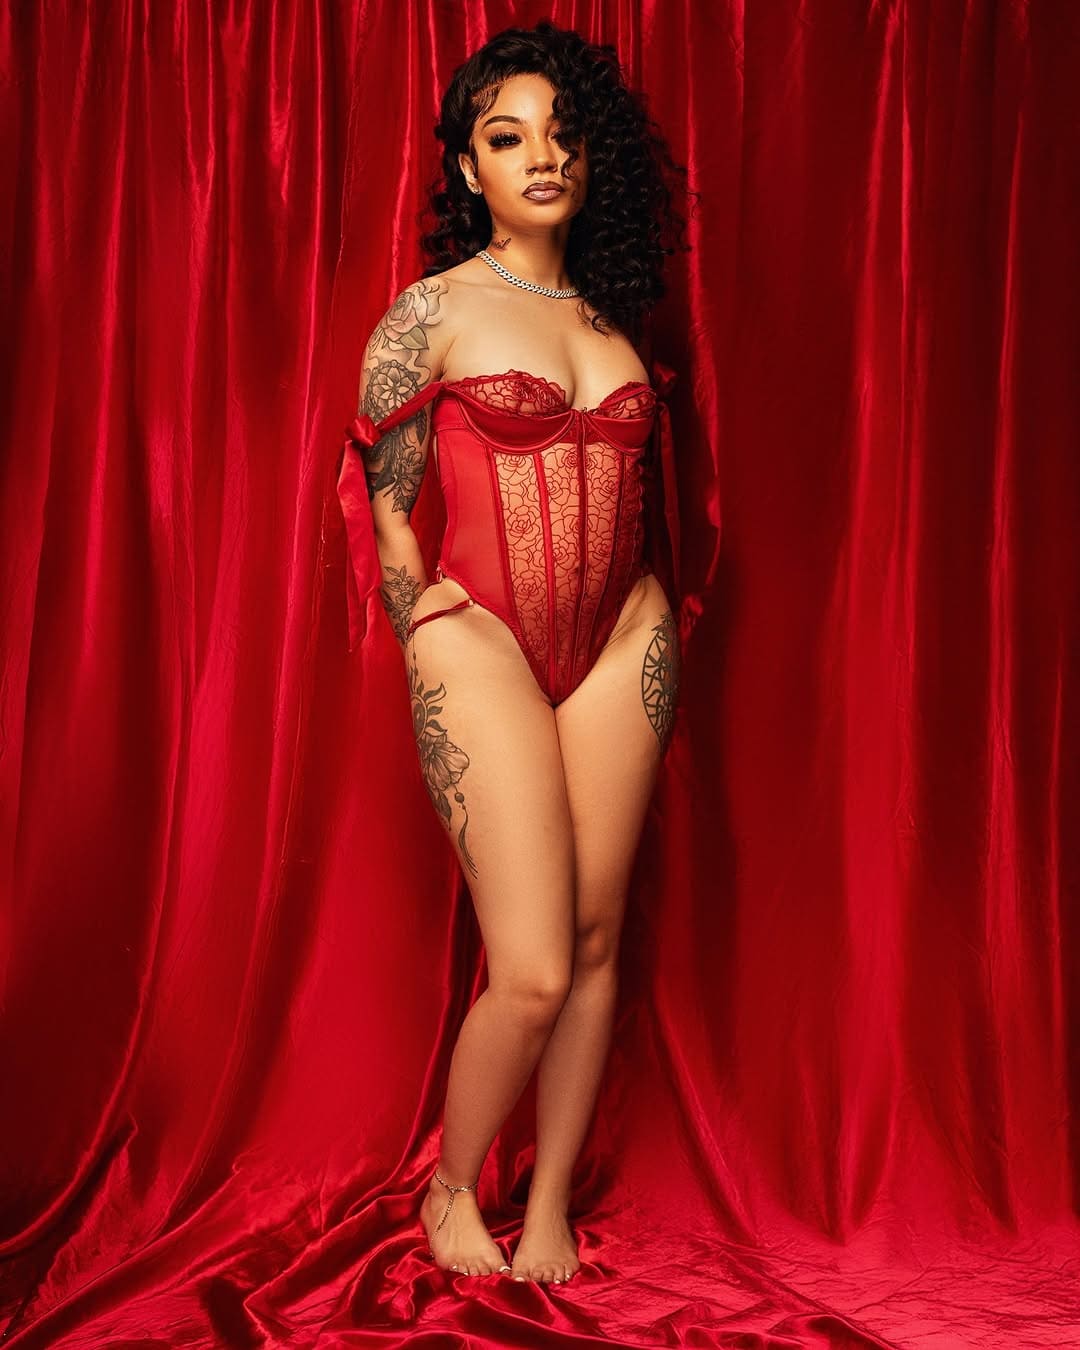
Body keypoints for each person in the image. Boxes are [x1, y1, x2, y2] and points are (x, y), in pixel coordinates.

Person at [337, 19, 693, 1286]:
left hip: (623, 639)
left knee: (595, 946)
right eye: (507, 136)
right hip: (480, 638)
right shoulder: (431, 311)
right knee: (532, 967)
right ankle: (450, 1188)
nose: (542, 155)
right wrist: (420, 621)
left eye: (562, 133)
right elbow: (384, 504)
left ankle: (544, 1209)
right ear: (468, 167)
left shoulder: (612, 317)